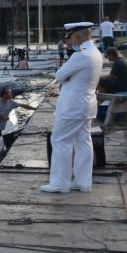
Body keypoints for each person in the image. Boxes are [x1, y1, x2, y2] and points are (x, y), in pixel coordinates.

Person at [41, 22, 102, 193]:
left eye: (70, 37)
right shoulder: (96, 52)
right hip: (87, 104)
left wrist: (68, 66)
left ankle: (60, 183)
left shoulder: (80, 55)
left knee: (60, 140)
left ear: (76, 36)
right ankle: (83, 182)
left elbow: (60, 76)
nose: (69, 41)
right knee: (83, 142)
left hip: (73, 106)